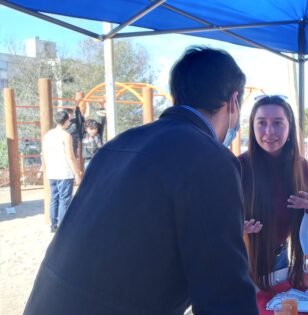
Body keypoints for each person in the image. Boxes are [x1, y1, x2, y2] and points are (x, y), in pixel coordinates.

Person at [24, 47, 259, 315]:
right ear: (234, 101)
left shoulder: (118, 144)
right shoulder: (210, 158)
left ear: (175, 96)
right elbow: (223, 293)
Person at [239, 95, 308, 291]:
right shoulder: (238, 166)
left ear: (290, 127)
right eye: (261, 123)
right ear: (252, 127)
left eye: (277, 123)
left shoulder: (302, 167)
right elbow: (217, 218)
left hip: (282, 259)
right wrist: (236, 227)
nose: (269, 132)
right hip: (242, 260)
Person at [42, 111, 82, 233]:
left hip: (52, 171)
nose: (69, 122)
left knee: (54, 198)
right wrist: (76, 173)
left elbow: (44, 154)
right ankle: (62, 226)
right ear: (65, 121)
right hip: (64, 172)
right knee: (64, 199)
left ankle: (53, 224)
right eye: (69, 120)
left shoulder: (47, 135)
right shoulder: (66, 135)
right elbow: (70, 156)